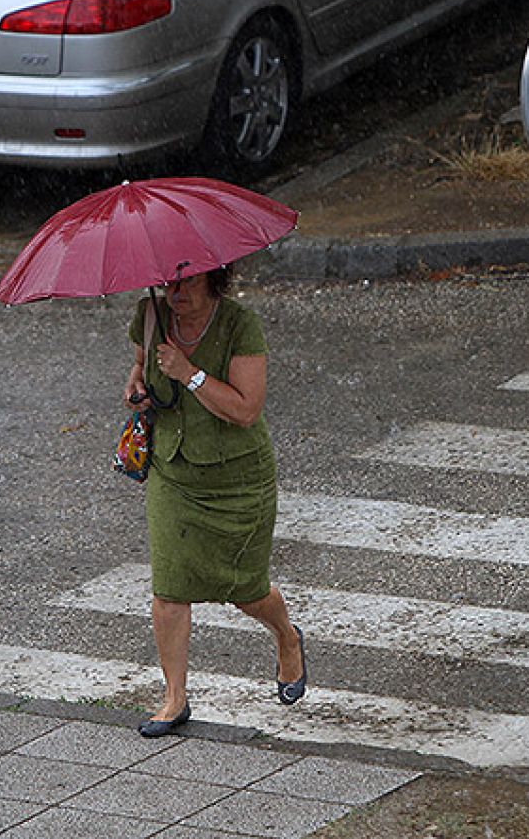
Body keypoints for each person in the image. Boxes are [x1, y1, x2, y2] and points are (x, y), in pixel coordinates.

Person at [122, 265, 306, 738]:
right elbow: (141, 368)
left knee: (245, 589)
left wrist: (190, 374)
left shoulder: (240, 325)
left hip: (237, 479)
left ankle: (286, 637)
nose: (174, 291)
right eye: (167, 282)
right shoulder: (150, 314)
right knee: (170, 587)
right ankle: (174, 697)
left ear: (212, 279)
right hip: (173, 471)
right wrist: (137, 386)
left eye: (185, 281)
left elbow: (246, 410)